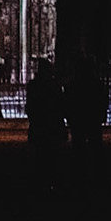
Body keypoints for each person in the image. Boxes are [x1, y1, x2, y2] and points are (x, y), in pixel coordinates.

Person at [66, 57, 107, 197]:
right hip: (92, 120)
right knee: (96, 149)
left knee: (79, 150)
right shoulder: (96, 84)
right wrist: (101, 115)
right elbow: (102, 101)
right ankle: (98, 178)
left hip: (78, 121)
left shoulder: (72, 85)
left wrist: (69, 117)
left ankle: (79, 179)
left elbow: (68, 103)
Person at [25, 61, 66, 196]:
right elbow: (60, 104)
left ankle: (41, 183)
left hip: (40, 125)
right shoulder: (54, 85)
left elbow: (30, 106)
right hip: (53, 125)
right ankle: (52, 183)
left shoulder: (33, 86)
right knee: (53, 155)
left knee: (40, 155)